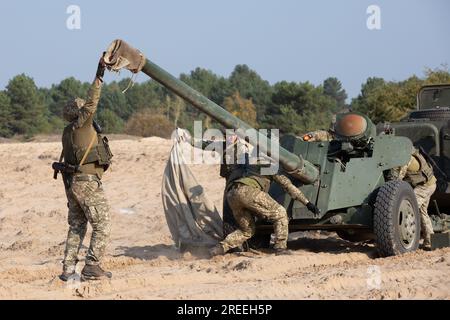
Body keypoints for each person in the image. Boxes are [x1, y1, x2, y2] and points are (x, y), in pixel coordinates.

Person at [57, 55, 114, 281]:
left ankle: (67, 269)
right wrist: (100, 73)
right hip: (87, 183)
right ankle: (92, 266)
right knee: (103, 224)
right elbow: (92, 100)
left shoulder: (67, 132)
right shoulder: (82, 125)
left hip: (72, 185)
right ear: (80, 113)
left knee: (77, 227)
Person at [209, 163, 320, 257]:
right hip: (248, 192)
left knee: (247, 230)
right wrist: (307, 203)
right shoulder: (271, 167)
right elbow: (288, 187)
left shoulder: (252, 165)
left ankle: (220, 248)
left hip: (232, 194)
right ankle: (280, 248)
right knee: (280, 213)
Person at [391, 147, 436, 250]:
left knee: (410, 208)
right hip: (429, 184)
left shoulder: (405, 159)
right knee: (422, 212)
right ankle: (430, 241)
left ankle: (406, 239)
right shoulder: (411, 154)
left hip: (425, 186)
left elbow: (398, 179)